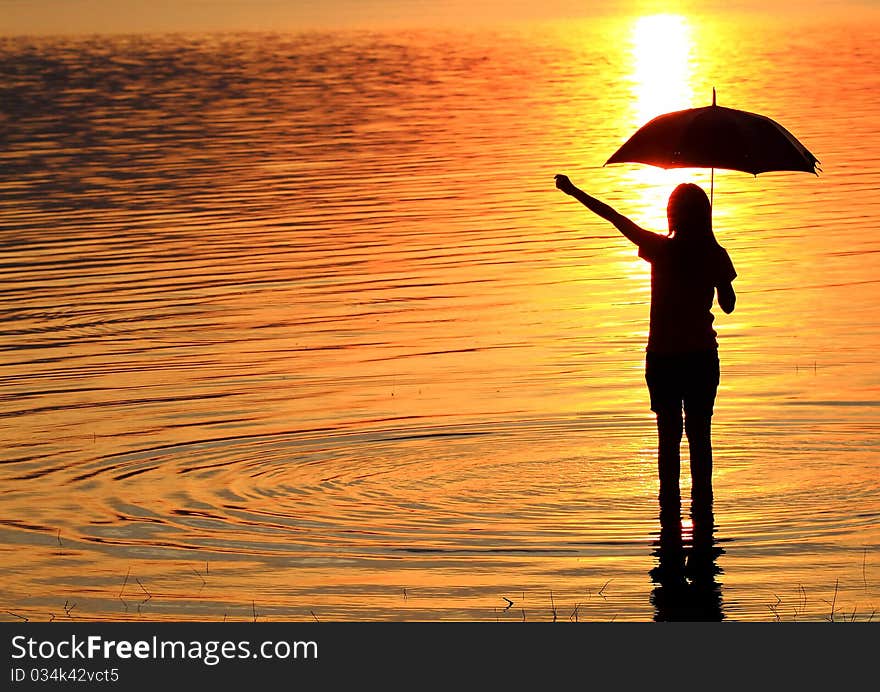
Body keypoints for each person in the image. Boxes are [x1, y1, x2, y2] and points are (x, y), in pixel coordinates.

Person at [554, 174, 736, 513]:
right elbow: (728, 305)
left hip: (664, 360)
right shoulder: (715, 254)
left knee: (668, 440)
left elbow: (615, 218)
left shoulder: (659, 249)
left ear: (672, 215)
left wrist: (574, 190)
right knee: (701, 437)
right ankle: (703, 513)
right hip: (701, 359)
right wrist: (716, 270)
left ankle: (669, 514)